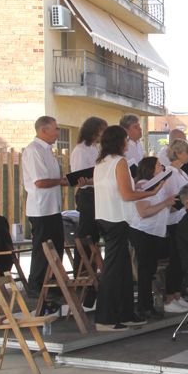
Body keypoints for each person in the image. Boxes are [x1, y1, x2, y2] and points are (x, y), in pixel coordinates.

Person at [94, 126, 163, 331]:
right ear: (120, 141)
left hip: (107, 218)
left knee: (123, 270)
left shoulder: (101, 162)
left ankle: (125, 314)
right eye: (125, 138)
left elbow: (120, 189)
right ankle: (105, 319)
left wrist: (138, 188)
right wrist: (152, 192)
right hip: (116, 220)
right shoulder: (119, 161)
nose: (127, 142)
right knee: (113, 271)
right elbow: (126, 195)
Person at [22, 116, 68, 296]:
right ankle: (36, 284)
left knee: (56, 247)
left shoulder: (48, 150)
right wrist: (63, 182)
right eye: (55, 129)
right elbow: (39, 182)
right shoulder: (34, 150)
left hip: (53, 207)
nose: (58, 132)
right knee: (42, 249)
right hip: (41, 209)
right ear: (43, 130)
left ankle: (52, 282)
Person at [129, 157, 177, 318]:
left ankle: (148, 305)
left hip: (155, 232)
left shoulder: (158, 185)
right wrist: (165, 203)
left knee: (150, 269)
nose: (161, 167)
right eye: (158, 165)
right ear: (150, 168)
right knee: (145, 270)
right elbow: (144, 211)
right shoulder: (143, 185)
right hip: (143, 231)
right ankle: (144, 306)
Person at [70, 116, 107, 282]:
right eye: (101, 131)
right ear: (93, 131)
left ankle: (92, 270)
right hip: (87, 194)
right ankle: (82, 271)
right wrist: (99, 178)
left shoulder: (95, 148)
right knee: (86, 233)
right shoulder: (80, 150)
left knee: (94, 233)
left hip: (97, 193)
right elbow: (81, 178)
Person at [162, 138, 188, 314]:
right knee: (175, 260)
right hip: (175, 220)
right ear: (178, 153)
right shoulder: (170, 172)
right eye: (186, 152)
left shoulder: (182, 173)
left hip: (184, 219)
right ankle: (169, 298)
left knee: (182, 260)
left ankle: (177, 295)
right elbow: (172, 197)